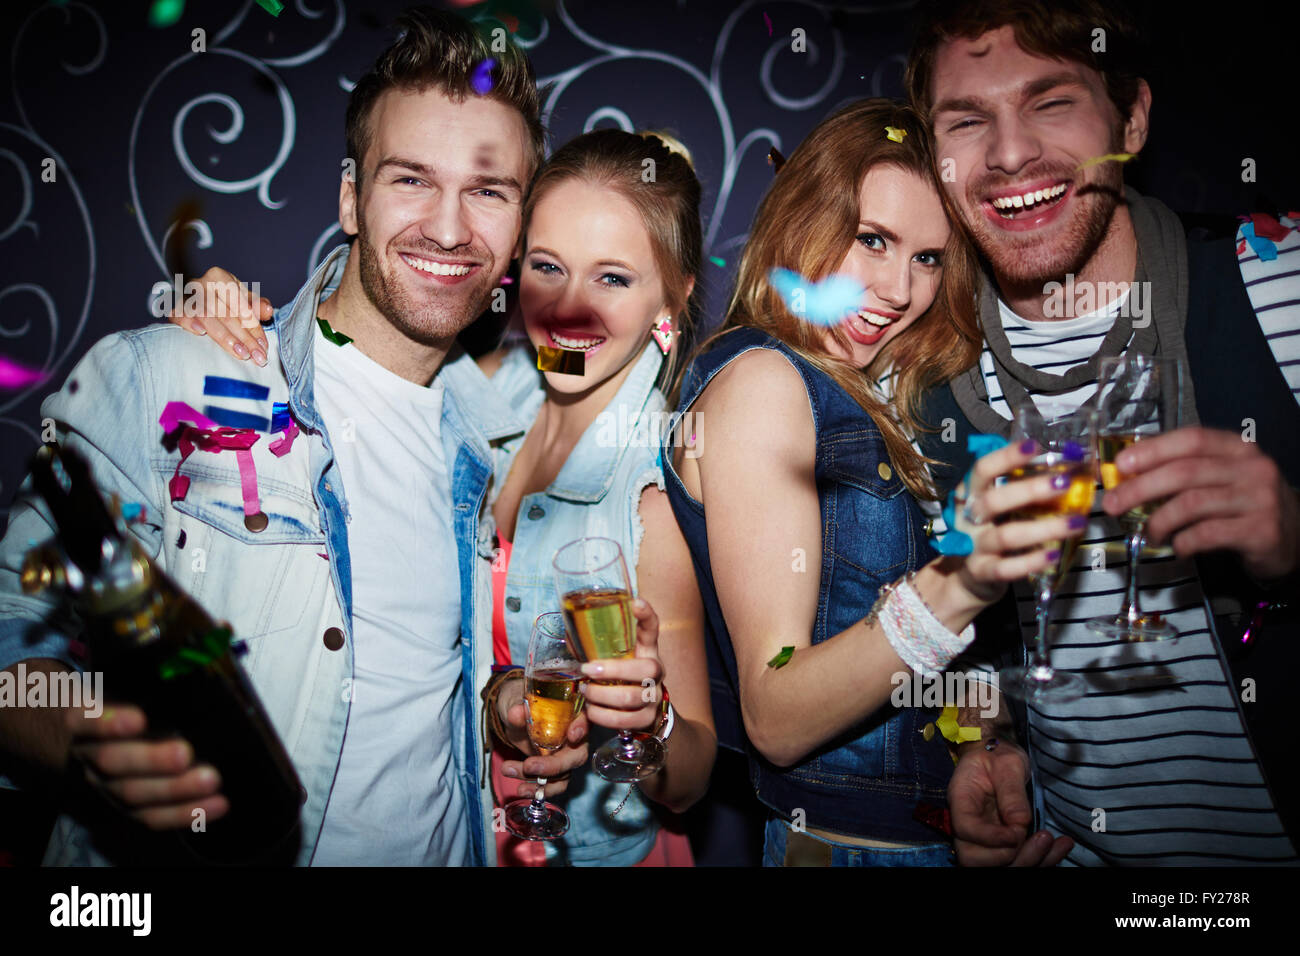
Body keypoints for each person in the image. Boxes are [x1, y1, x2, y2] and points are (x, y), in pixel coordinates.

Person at [0, 7, 593, 866]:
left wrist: (503, 707)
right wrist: (96, 741)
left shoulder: (499, 437)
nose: (452, 228)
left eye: (489, 191)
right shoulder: (170, 378)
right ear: (351, 198)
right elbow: (16, 634)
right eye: (411, 180)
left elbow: (419, 673)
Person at [175, 129, 717, 866]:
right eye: (549, 267)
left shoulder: (652, 493)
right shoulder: (470, 397)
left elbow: (690, 782)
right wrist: (228, 316)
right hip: (462, 831)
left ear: (676, 296)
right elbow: (344, 356)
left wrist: (649, 721)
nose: (568, 311)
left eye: (613, 279)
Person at [904, 0, 1300, 865]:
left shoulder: (1277, 284)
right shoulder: (929, 384)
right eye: (968, 121)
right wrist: (984, 746)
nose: (1010, 154)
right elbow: (977, 650)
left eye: (1053, 103)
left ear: (1131, 116)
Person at [661, 97, 1088, 866]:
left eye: (928, 258)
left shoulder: (857, 390)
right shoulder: (765, 382)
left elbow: (889, 654)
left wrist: (978, 744)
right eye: (872, 240)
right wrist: (968, 578)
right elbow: (776, 713)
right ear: (803, 221)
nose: (898, 288)